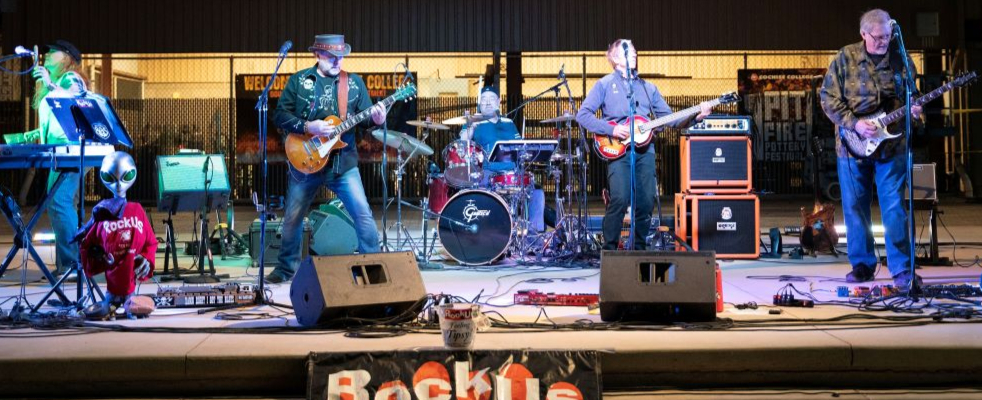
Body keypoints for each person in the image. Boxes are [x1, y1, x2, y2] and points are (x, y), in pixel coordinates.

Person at [270, 34, 388, 283]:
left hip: (342, 163)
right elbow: (280, 115)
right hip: (306, 161)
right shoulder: (300, 81)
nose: (337, 61)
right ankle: (285, 269)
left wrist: (377, 119)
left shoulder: (354, 83)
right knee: (292, 217)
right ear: (317, 55)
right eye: (331, 56)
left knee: (362, 214)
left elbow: (366, 120)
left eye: (341, 56)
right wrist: (308, 126)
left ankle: (373, 268)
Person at [820, 9, 922, 288]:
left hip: (892, 146)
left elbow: (913, 95)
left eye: (888, 36)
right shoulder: (845, 57)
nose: (884, 42)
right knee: (855, 208)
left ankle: (902, 269)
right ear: (863, 34)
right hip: (852, 147)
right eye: (878, 37)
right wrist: (853, 124)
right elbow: (827, 98)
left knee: (894, 208)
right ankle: (863, 265)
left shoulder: (901, 58)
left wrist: (915, 110)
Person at [576, 39, 711, 251]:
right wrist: (611, 129)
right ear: (615, 58)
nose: (634, 53)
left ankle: (638, 249)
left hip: (645, 151)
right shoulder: (604, 84)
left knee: (647, 200)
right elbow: (582, 115)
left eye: (635, 50)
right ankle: (609, 251)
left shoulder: (648, 88)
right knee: (619, 198)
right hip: (617, 150)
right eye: (628, 50)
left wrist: (696, 117)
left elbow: (670, 119)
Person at [3, 40, 89, 277]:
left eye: (54, 52)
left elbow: (77, 97)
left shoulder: (70, 78)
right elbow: (49, 128)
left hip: (72, 151)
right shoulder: (57, 83)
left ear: (67, 58)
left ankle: (71, 264)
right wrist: (18, 138)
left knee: (59, 203)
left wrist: (50, 84)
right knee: (62, 204)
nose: (49, 54)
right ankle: (69, 264)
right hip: (62, 152)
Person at [77, 151, 156, 319]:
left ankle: (124, 303)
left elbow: (150, 242)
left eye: (125, 177)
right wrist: (97, 255)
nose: (119, 185)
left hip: (130, 283)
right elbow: (85, 243)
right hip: (111, 284)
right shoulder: (102, 212)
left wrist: (146, 258)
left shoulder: (136, 210)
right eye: (112, 179)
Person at [460, 85, 550, 233]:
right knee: (481, 187)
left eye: (491, 99)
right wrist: (471, 127)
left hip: (513, 174)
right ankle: (490, 232)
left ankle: (534, 237)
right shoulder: (474, 122)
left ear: (499, 102)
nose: (487, 103)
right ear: (479, 103)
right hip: (488, 173)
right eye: (484, 99)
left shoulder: (509, 123)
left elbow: (521, 148)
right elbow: (463, 142)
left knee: (537, 193)